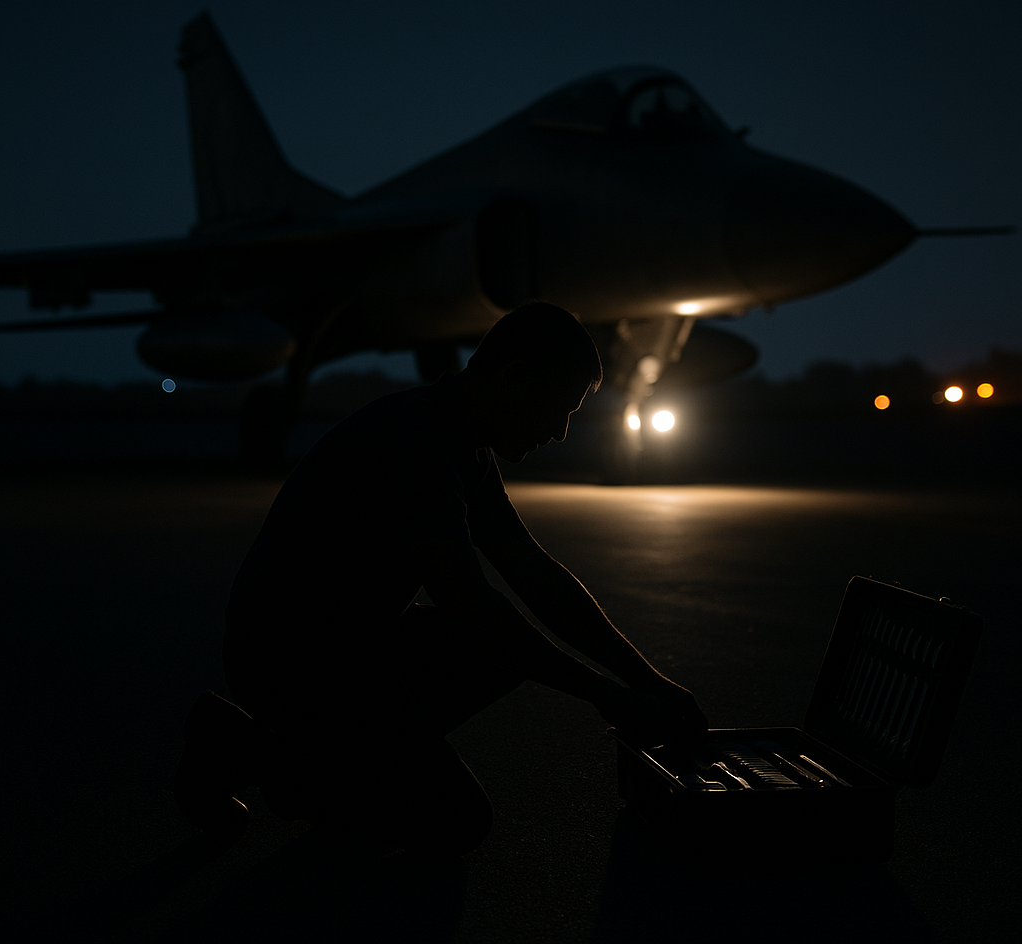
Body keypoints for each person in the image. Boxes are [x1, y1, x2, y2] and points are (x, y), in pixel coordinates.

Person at [174, 301, 707, 854]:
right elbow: (472, 606)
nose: (560, 432)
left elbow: (536, 575)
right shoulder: (417, 442)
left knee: (495, 655)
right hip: (285, 653)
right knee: (455, 818)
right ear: (516, 379)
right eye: (561, 408)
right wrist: (608, 697)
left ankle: (327, 758)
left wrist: (648, 682)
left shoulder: (463, 446)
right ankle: (255, 755)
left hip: (351, 643)